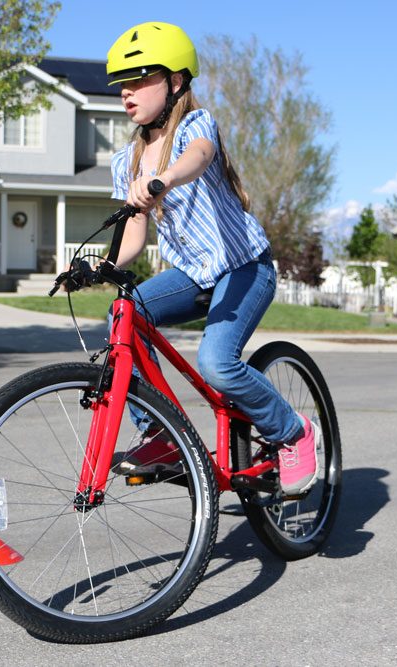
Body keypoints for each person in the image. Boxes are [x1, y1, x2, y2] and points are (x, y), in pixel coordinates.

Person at [103, 21, 323, 495]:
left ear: (176, 81)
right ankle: (160, 433)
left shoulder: (195, 127)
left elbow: (199, 158)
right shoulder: (125, 162)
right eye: (122, 84)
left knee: (218, 365)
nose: (127, 93)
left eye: (140, 79)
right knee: (125, 314)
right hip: (193, 275)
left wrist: (163, 180)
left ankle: (294, 433)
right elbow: (135, 236)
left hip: (245, 267)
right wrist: (100, 266)